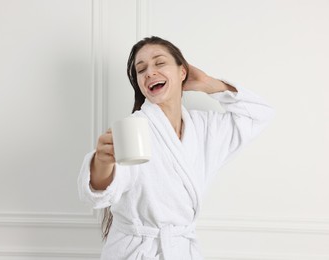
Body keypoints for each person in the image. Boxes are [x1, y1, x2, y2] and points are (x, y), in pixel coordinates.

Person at [78, 36, 274, 260]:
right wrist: (101, 163)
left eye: (159, 63)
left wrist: (208, 83)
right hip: (136, 253)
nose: (149, 72)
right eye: (141, 70)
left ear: (183, 72)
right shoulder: (134, 131)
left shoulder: (205, 128)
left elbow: (260, 114)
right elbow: (99, 195)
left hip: (181, 251)